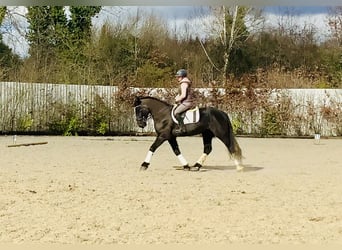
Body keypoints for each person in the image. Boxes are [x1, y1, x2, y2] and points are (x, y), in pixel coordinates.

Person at [173, 69, 195, 134]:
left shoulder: (184, 84)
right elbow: (180, 94)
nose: (177, 78)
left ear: (182, 76)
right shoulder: (185, 83)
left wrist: (177, 99)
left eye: (178, 77)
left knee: (176, 112)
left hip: (187, 103)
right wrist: (176, 97)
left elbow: (183, 95)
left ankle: (182, 128)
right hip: (186, 102)